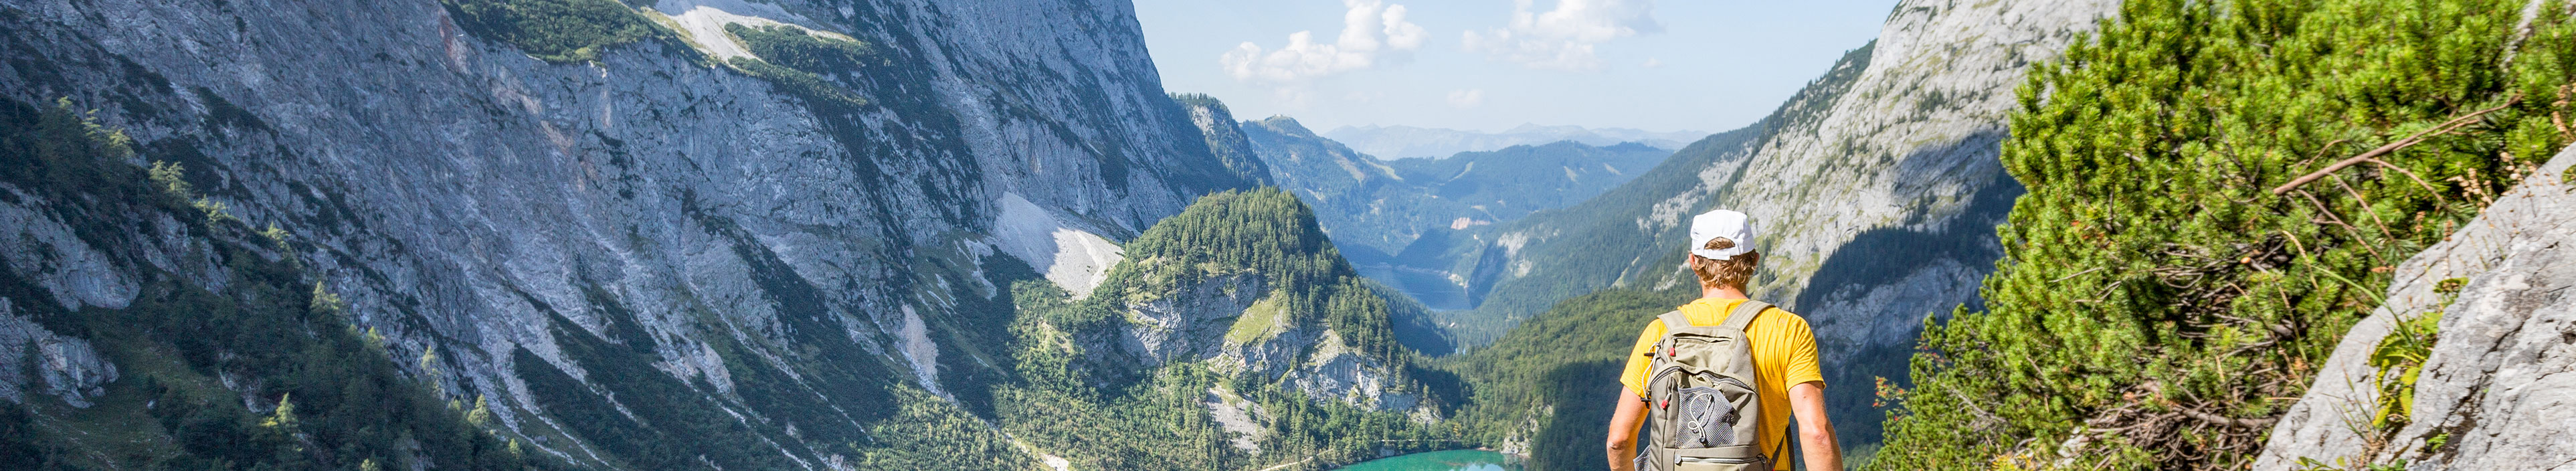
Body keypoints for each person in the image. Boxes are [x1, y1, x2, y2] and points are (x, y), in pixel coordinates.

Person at [1605, 209, 1840, 471]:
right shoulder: (1787, 330)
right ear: (1754, 260)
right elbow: (1816, 433)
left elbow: (1619, 441)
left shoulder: (1661, 332)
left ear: (1693, 262)